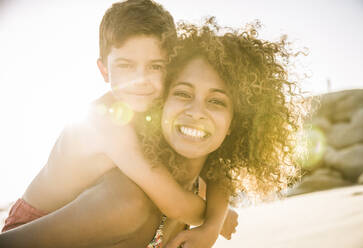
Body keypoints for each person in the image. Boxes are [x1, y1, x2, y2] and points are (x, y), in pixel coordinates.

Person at [0, 17, 305, 247]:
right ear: (160, 103)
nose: (196, 112)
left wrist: (212, 223)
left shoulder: (202, 185)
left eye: (216, 101)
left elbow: (219, 175)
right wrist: (214, 218)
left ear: (234, 126)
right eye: (183, 94)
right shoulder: (126, 198)